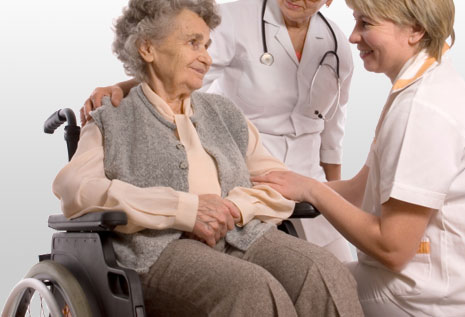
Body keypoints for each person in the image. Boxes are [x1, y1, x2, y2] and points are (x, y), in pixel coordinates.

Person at [53, 0, 364, 315]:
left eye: (206, 45)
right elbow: (75, 189)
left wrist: (233, 208)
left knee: (323, 271)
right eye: (193, 43)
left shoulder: (225, 112)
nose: (206, 56)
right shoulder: (113, 119)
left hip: (242, 232)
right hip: (161, 247)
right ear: (147, 47)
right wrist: (185, 210)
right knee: (252, 290)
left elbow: (279, 183)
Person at [253, 0, 465, 315]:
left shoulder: (424, 109)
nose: (352, 36)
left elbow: (392, 248)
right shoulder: (426, 83)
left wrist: (313, 191)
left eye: (366, 23)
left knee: (297, 288)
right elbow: (362, 189)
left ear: (415, 29)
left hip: (450, 297)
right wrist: (293, 187)